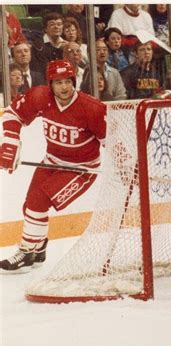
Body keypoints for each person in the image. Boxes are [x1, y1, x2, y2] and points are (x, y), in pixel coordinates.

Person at [0, 59, 106, 272]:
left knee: (38, 202)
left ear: (74, 80)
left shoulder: (92, 108)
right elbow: (13, 113)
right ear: (50, 84)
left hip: (82, 169)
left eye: (68, 81)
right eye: (58, 83)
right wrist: (10, 140)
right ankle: (39, 249)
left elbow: (112, 139)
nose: (64, 87)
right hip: (52, 160)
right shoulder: (40, 96)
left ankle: (27, 252)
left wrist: (125, 163)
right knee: (30, 204)